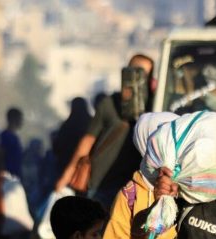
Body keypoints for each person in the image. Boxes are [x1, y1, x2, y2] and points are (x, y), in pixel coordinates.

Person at [55, 54, 155, 207]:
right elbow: (87, 141)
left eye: (143, 75)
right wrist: (67, 175)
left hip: (132, 187)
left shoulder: (154, 108)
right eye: (135, 73)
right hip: (100, 183)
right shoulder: (109, 104)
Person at [1, 108, 24, 179]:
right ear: (14, 119)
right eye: (20, 119)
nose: (22, 122)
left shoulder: (13, 137)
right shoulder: (6, 137)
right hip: (8, 176)